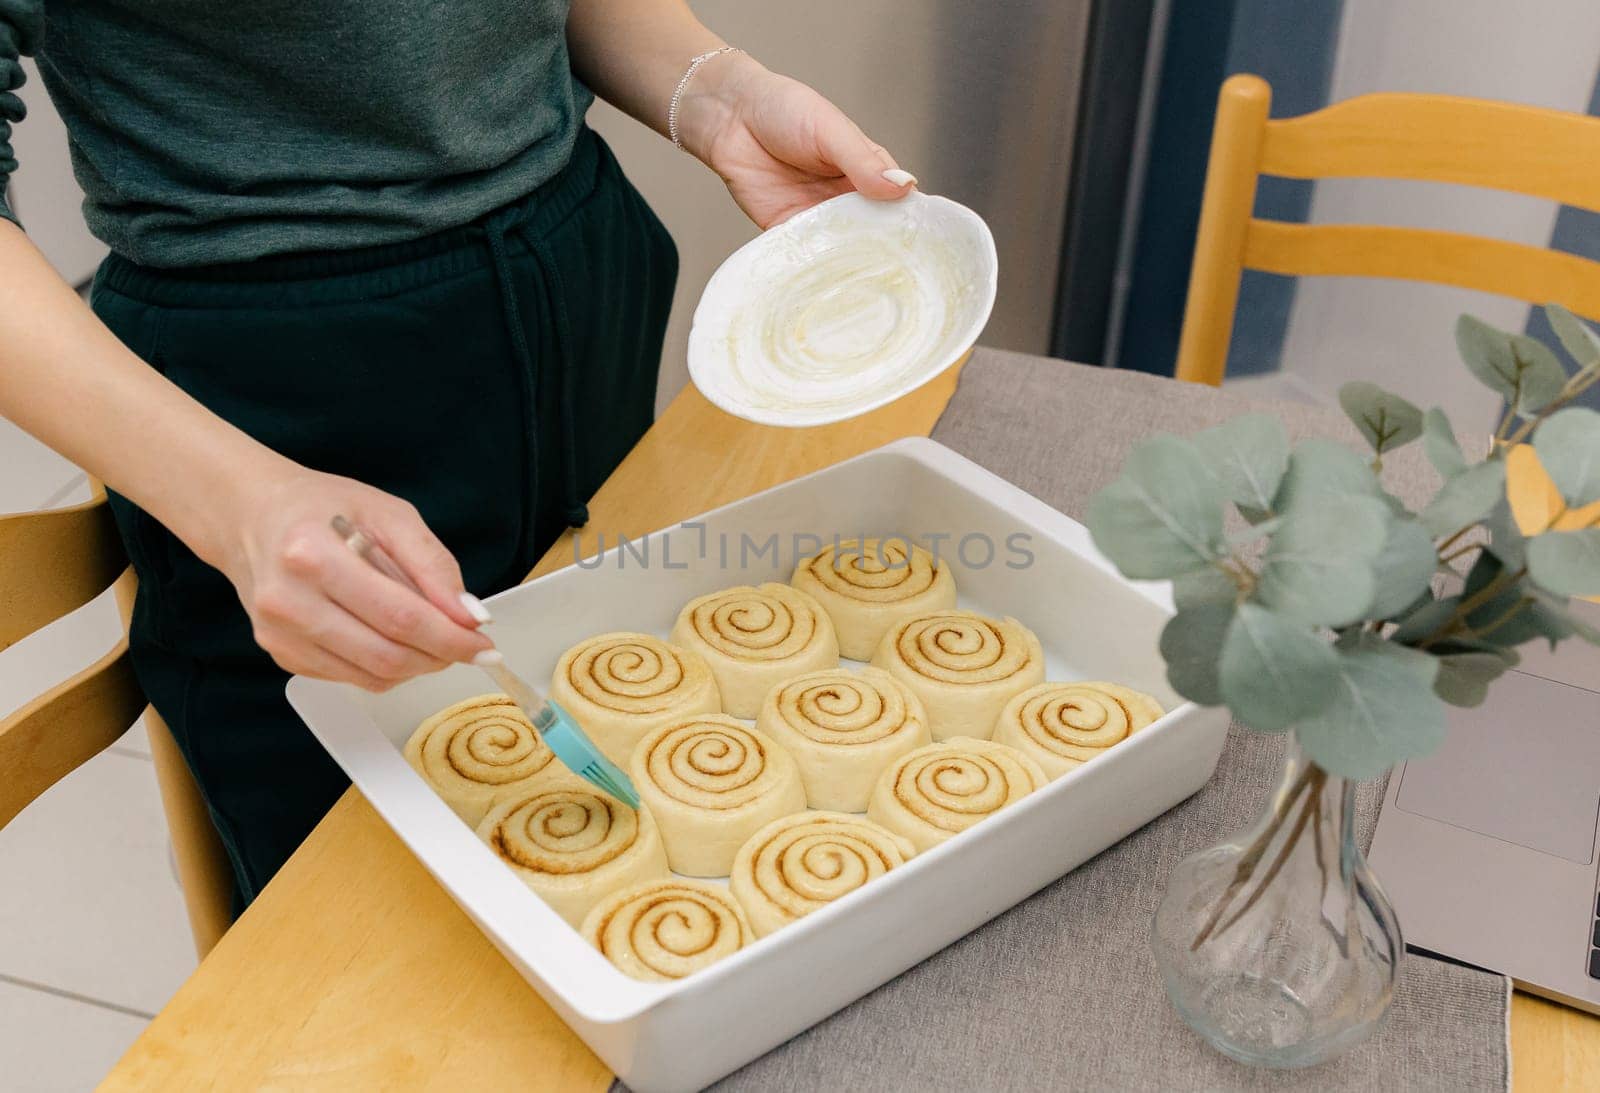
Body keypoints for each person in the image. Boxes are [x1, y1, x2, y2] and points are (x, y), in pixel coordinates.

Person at [0, 0, 914, 909]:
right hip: (265, 398)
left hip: (577, 276)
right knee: (375, 924)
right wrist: (236, 503)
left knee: (625, 761)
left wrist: (719, 96)